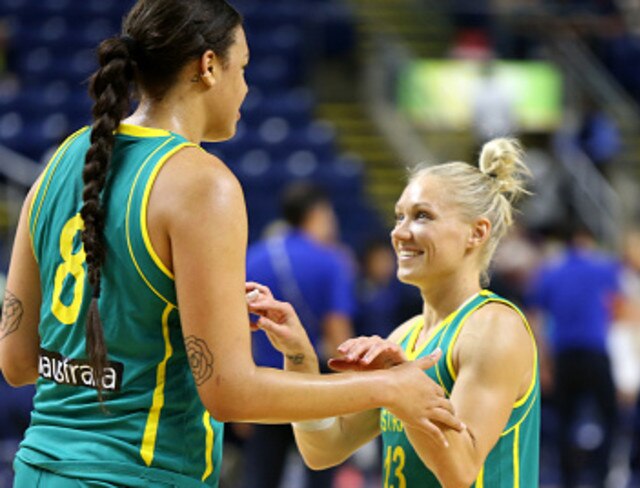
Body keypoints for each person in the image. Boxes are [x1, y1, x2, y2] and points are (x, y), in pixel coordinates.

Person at [0, 1, 463, 486]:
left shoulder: (61, 162)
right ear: (208, 67)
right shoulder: (201, 182)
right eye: (242, 68)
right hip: (134, 475)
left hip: (37, 469)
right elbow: (229, 393)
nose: (245, 86)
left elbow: (16, 361)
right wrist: (385, 387)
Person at [247, 137, 541, 487]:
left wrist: (403, 389)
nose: (399, 233)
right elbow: (323, 449)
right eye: (399, 216)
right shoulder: (406, 336)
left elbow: (461, 472)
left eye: (421, 216)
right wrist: (299, 357)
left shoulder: (493, 327)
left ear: (476, 233)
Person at [242, 181, 356, 488]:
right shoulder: (331, 261)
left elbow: (239, 328)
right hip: (312, 383)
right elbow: (338, 339)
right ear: (317, 213)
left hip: (263, 383)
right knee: (319, 470)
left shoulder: (254, 256)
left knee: (260, 476)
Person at [528, 225, 621, 488]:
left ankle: (568, 478)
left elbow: (534, 316)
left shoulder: (550, 272)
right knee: (609, 416)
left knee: (563, 420)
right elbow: (621, 302)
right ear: (587, 240)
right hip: (595, 351)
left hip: (563, 355)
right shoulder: (603, 268)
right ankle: (601, 475)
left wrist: (544, 360)